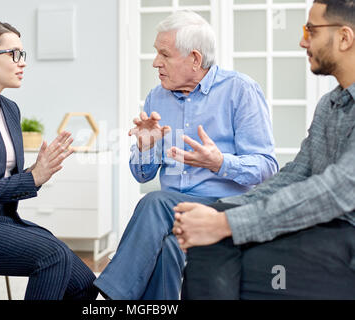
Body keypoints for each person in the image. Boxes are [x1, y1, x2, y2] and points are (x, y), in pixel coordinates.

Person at [173, 0, 355, 300]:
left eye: (311, 30)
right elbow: (297, 173)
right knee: (211, 232)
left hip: (346, 240)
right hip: (325, 227)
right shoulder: (330, 105)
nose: (302, 40)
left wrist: (226, 223)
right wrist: (223, 209)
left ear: (344, 38)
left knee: (220, 248)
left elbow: (338, 190)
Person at [94, 11, 279, 300]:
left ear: (194, 58)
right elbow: (142, 174)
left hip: (224, 206)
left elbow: (267, 167)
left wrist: (220, 163)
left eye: (164, 54)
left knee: (154, 201)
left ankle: (108, 296)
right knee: (168, 247)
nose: (155, 62)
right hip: (173, 213)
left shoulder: (240, 90)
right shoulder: (157, 96)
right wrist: (145, 147)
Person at [0, 20, 98, 300]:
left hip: (4, 221)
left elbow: (2, 180)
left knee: (85, 283)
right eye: (13, 53)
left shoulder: (10, 110)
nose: (21, 62)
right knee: (52, 256)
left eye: (22, 54)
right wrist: (31, 178)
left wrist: (36, 171)